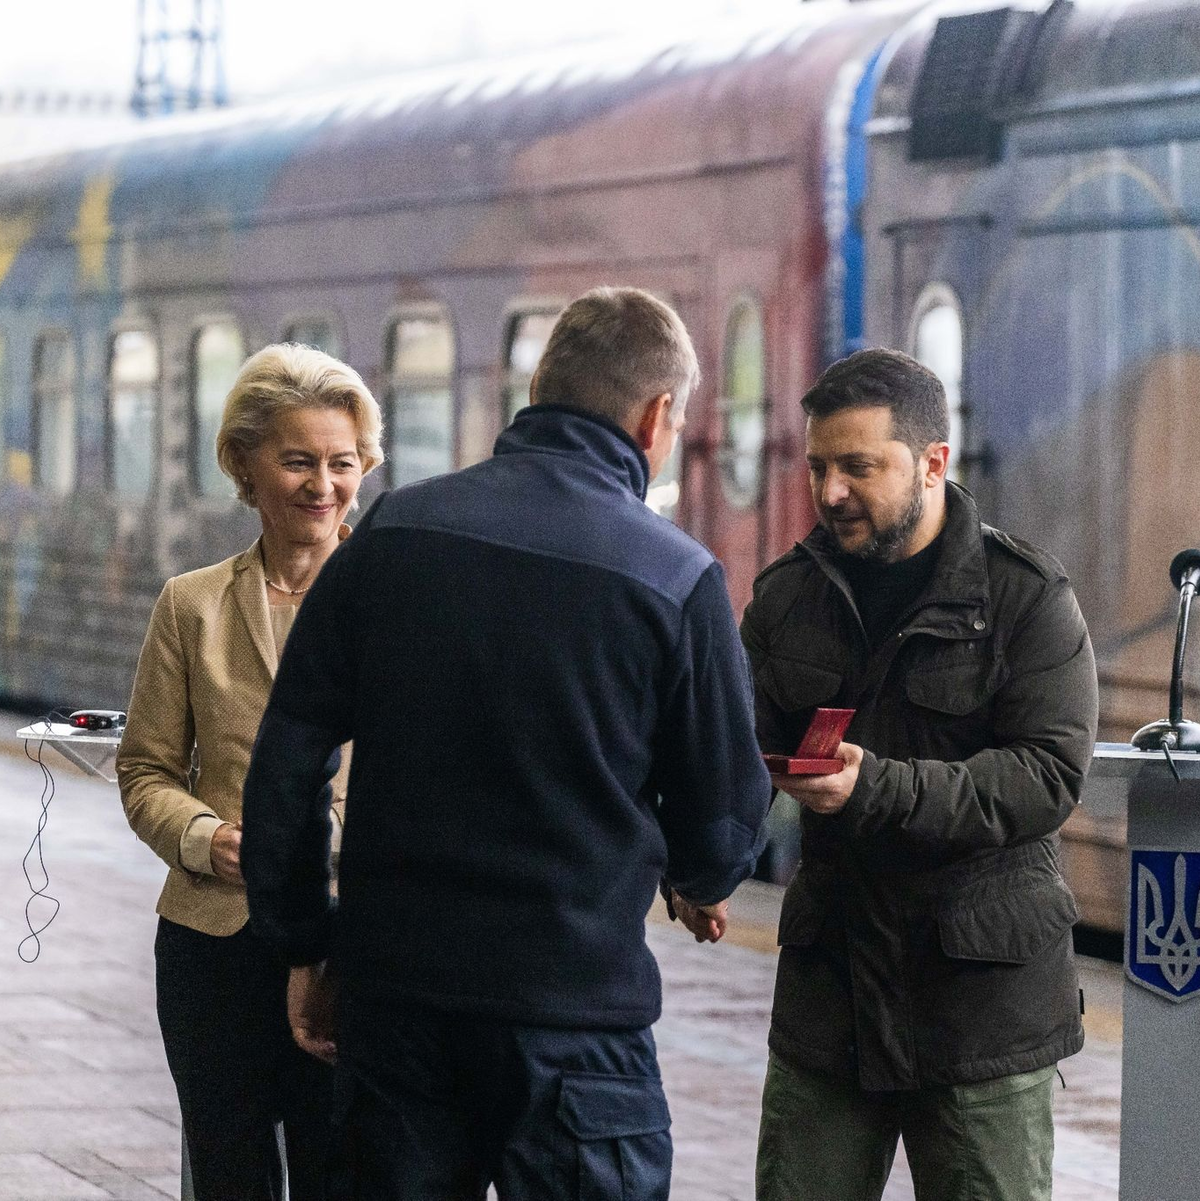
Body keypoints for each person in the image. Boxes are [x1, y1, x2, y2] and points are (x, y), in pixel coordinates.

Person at [240, 286, 773, 1199]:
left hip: (396, 1010)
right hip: (574, 1031)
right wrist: (684, 866)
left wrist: (305, 941)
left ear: (537, 388)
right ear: (656, 417)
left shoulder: (391, 536)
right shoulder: (676, 580)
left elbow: (286, 766)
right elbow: (722, 837)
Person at [744, 349, 1098, 1201]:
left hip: (980, 1010)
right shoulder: (788, 596)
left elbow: (1046, 776)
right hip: (832, 1004)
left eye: (858, 467)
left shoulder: (1027, 599)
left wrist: (879, 787)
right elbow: (732, 751)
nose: (829, 491)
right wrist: (698, 855)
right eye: (819, 465)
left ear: (934, 461)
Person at [116, 343, 383, 1201]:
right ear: (244, 463)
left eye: (342, 463)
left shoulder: (395, 601)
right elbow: (147, 770)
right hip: (213, 946)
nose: (323, 485)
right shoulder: (190, 605)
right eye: (297, 461)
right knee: (228, 1176)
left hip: (351, 940)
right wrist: (202, 835)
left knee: (336, 1172)